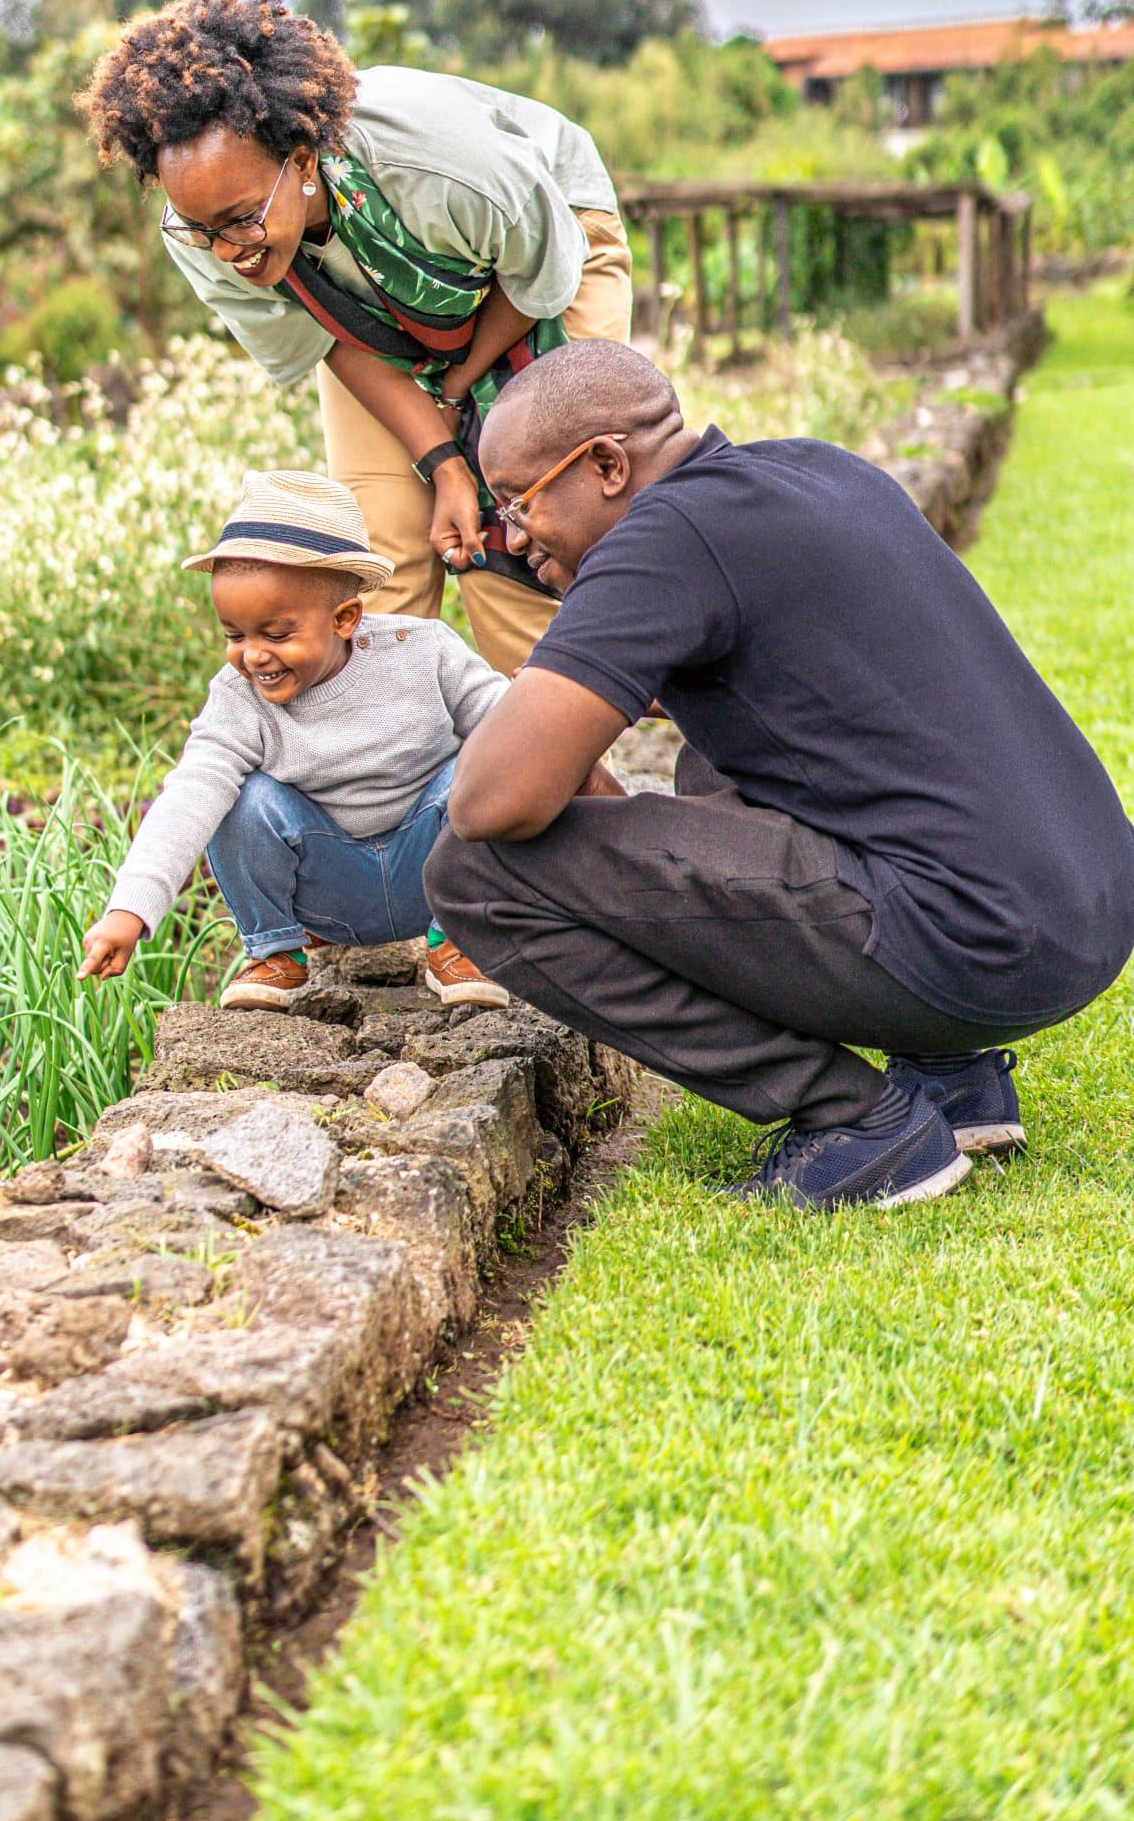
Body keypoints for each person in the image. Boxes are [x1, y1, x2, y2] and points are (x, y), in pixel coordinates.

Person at [424, 340, 1134, 1210]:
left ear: (607, 463)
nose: (510, 536)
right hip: (1086, 917)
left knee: (474, 872)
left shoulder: (664, 538)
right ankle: (955, 1079)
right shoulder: (816, 469)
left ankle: (862, 1124)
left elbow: (493, 802)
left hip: (972, 944)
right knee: (710, 755)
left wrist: (585, 634)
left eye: (516, 501)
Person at [79, 0, 630, 678]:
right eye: (203, 229)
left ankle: (633, 704)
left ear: (303, 162)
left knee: (543, 527)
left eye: (242, 218)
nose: (225, 251)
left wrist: (456, 392)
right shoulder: (201, 231)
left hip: (546, 251)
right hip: (371, 331)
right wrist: (443, 461)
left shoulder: (442, 166)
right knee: (380, 564)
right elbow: (331, 340)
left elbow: (541, 280)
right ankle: (392, 763)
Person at [79, 468, 513, 1010]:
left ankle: (459, 940)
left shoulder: (424, 652)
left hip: (433, 873)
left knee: (486, 760)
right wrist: (130, 910)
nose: (253, 655)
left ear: (345, 618)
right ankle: (275, 951)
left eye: (277, 634)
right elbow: (190, 794)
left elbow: (512, 724)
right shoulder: (239, 698)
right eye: (234, 635)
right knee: (238, 798)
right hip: (326, 892)